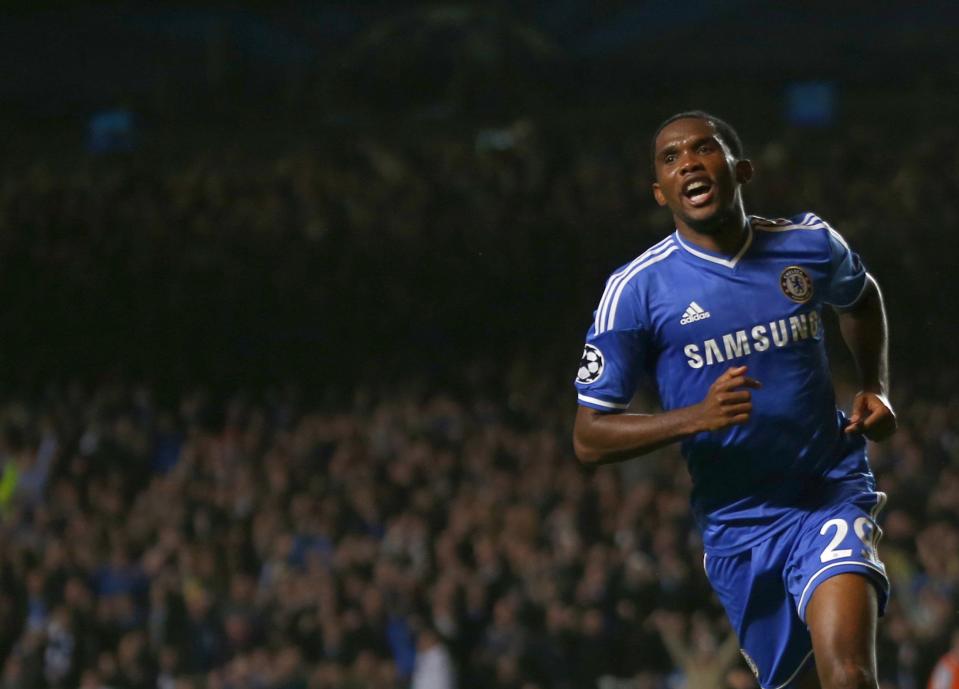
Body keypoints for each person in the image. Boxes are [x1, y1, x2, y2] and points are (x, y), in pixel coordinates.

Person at [572, 111, 897, 689]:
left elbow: (862, 297)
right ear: (660, 191)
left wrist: (873, 384)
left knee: (848, 674)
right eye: (671, 158)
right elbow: (589, 437)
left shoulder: (810, 245)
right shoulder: (636, 290)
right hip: (738, 525)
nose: (688, 162)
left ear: (739, 169)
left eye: (704, 149)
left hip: (829, 491)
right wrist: (695, 418)